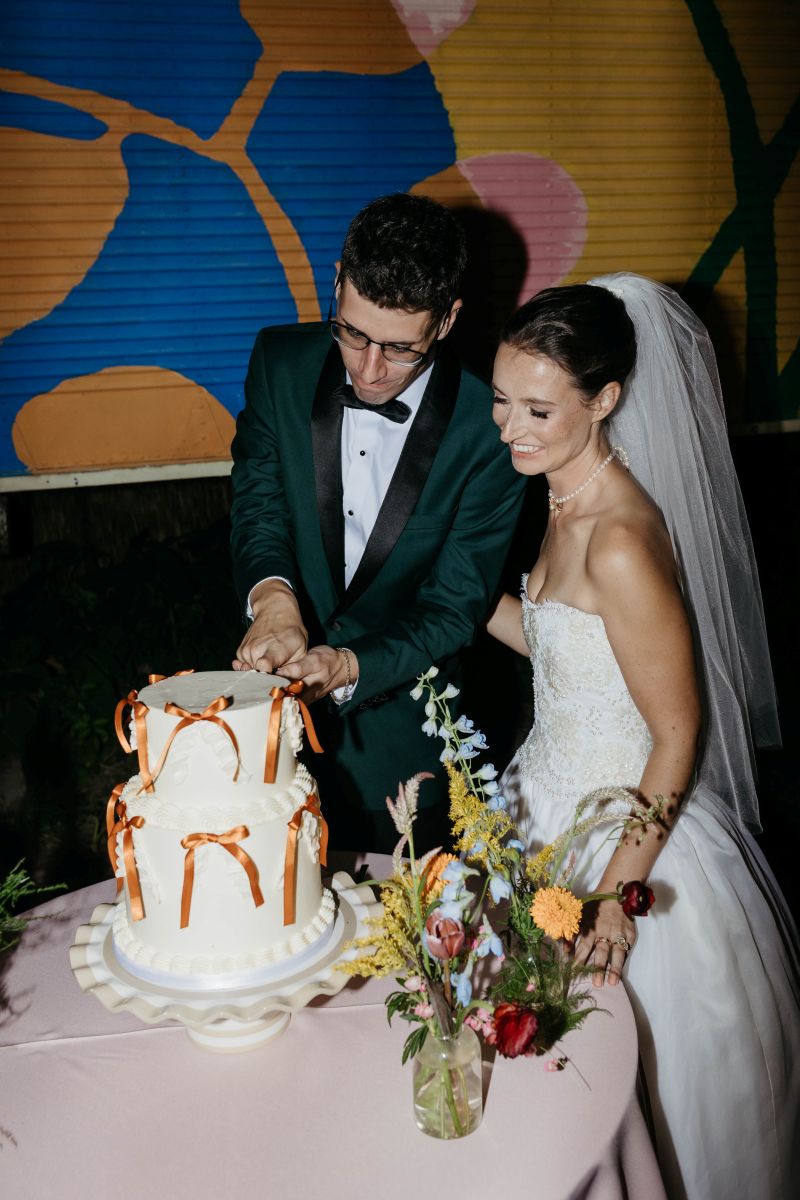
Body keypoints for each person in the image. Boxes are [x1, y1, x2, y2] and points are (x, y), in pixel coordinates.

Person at [487, 276, 799, 1200]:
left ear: (606, 400)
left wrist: (622, 893)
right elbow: (566, 645)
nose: (510, 426)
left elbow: (676, 732)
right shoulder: (558, 489)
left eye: (538, 408)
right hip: (538, 804)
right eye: (502, 399)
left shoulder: (621, 536)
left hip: (628, 840)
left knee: (637, 1101)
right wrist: (454, 600)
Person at [230, 193, 526, 852]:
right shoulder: (279, 362)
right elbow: (259, 504)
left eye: (398, 350)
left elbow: (456, 607)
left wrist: (348, 665)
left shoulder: (493, 427)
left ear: (447, 320)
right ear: (336, 282)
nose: (368, 370)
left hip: (411, 741)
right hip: (272, 745)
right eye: (353, 333)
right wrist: (274, 602)